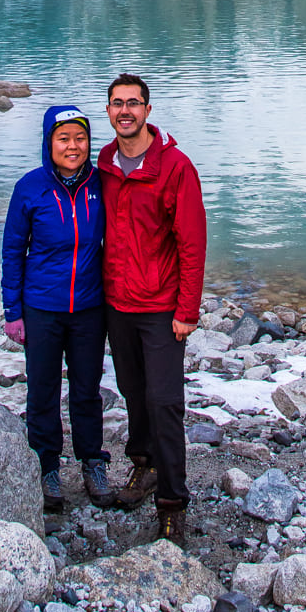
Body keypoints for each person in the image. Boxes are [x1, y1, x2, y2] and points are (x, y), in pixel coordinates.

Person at [97, 73, 206, 546]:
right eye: (118, 104)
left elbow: (193, 244)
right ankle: (143, 467)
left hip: (161, 308)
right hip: (116, 305)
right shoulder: (101, 164)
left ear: (147, 110)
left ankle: (172, 504)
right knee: (132, 393)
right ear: (109, 112)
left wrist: (187, 311)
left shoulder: (174, 167)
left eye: (134, 104)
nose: (126, 111)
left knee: (165, 404)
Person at [1, 104, 113, 513]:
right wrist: (13, 311)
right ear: (48, 142)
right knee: (43, 390)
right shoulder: (30, 188)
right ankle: (47, 465)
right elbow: (13, 250)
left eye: (80, 138)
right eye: (63, 138)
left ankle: (91, 462)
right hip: (42, 307)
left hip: (88, 307)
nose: (73, 146)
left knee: (87, 390)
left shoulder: (102, 185)